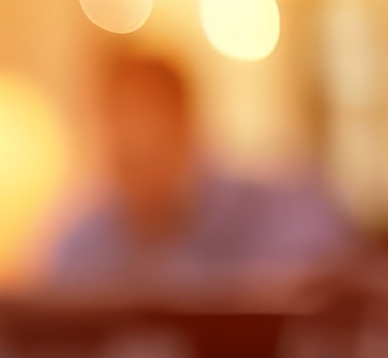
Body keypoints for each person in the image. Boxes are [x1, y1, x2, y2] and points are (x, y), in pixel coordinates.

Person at [49, 53, 353, 284]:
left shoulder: (281, 212)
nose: (136, 144)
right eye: (123, 149)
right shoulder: (83, 243)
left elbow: (331, 275)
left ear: (186, 128)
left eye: (153, 138)